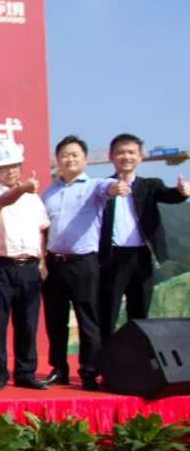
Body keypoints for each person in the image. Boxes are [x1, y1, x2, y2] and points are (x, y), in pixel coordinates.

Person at [41, 135, 123, 391]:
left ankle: (89, 371)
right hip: (54, 262)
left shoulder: (94, 186)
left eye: (75, 154)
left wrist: (117, 187)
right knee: (55, 319)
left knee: (87, 320)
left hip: (83, 263)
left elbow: (109, 188)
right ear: (57, 160)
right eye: (64, 155)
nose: (69, 159)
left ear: (85, 159)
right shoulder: (49, 192)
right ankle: (59, 369)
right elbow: (43, 229)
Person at [98, 133, 190, 341]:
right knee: (107, 315)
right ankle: (106, 358)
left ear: (140, 156)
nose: (126, 157)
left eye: (131, 152)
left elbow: (169, 195)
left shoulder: (150, 185)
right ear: (111, 156)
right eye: (121, 152)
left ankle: (138, 359)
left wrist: (182, 192)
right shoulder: (102, 187)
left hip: (141, 257)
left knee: (139, 316)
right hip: (112, 257)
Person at [0, 141, 49, 391]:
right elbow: (2, 201)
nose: (11, 171)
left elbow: (41, 229)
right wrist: (23, 189)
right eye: (5, 167)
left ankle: (25, 372)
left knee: (27, 323)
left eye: (15, 166)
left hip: (28, 266)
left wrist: (42, 261)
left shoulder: (34, 198)